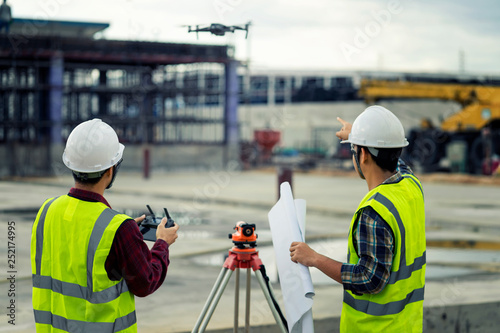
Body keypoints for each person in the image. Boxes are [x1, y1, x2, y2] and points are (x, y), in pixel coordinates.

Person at [31, 118, 180, 332]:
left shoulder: (47, 210)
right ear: (110, 170)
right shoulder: (118, 229)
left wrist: (126, 234)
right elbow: (146, 281)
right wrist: (162, 243)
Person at [289, 105, 426, 332]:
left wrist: (314, 258)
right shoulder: (412, 186)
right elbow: (395, 159)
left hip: (375, 328)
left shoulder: (375, 211)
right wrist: (358, 136)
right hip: (407, 325)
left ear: (362, 155)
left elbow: (369, 278)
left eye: (354, 150)